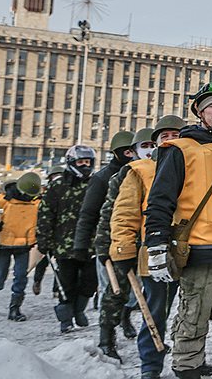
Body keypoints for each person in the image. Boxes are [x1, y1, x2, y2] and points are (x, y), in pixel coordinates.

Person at [143, 81, 212, 379]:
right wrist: (155, 245)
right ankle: (188, 369)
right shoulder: (178, 150)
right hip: (198, 252)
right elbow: (160, 200)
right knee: (193, 320)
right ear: (200, 111)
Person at [110, 115, 212, 379]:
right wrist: (123, 251)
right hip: (154, 255)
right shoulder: (139, 171)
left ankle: (192, 358)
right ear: (155, 142)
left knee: (194, 311)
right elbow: (124, 214)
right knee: (154, 312)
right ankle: (151, 365)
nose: (170, 140)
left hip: (193, 251)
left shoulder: (198, 168)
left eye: (175, 135)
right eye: (163, 136)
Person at [93, 126, 153, 360]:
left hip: (151, 244)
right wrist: (102, 246)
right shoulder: (124, 174)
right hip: (124, 242)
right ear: (135, 150)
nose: (150, 151)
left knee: (147, 296)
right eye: (144, 146)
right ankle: (106, 338)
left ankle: (131, 322)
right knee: (115, 292)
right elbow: (108, 214)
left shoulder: (167, 171)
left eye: (153, 146)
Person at [36, 144, 100, 333]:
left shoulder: (95, 184)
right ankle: (66, 318)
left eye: (88, 162)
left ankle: (79, 309)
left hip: (91, 244)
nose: (85, 166)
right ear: (72, 162)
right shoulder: (57, 185)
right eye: (81, 162)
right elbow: (46, 214)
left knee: (90, 282)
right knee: (66, 284)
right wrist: (44, 239)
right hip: (64, 245)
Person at [74, 130, 135, 312]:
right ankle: (106, 329)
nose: (129, 155)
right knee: (109, 288)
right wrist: (81, 244)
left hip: (131, 240)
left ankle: (125, 319)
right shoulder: (102, 178)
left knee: (132, 293)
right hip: (107, 241)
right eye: (126, 152)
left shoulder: (140, 172)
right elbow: (88, 214)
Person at [0, 172, 42, 320]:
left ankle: (15, 308)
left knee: (21, 278)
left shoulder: (36, 203)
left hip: (24, 245)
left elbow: (44, 219)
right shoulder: (0, 201)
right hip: (2, 244)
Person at [33, 165, 66, 296]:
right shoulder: (46, 193)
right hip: (48, 234)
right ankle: (37, 280)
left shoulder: (68, 191)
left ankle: (57, 288)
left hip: (63, 235)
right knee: (43, 261)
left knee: (61, 264)